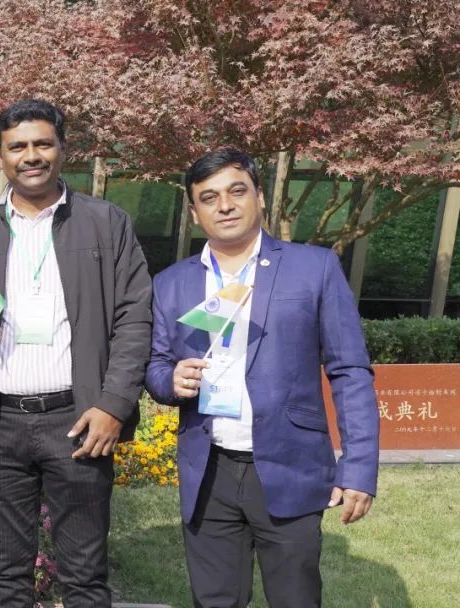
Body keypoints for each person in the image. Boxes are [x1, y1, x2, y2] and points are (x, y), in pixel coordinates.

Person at [0, 99, 153, 608]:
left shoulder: (106, 223)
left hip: (78, 421)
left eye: (42, 144)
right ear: (0, 156)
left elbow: (135, 317)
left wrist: (113, 405)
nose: (30, 155)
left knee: (84, 575)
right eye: (17, 146)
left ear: (62, 148)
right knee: (5, 576)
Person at [145, 146, 379, 608]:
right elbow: (154, 365)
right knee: (215, 600)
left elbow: (350, 371)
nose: (225, 206)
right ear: (194, 213)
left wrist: (358, 468)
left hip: (289, 464)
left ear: (260, 198)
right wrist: (170, 380)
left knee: (294, 599)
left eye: (237, 191)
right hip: (208, 469)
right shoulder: (170, 283)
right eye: (209, 197)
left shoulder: (314, 268)